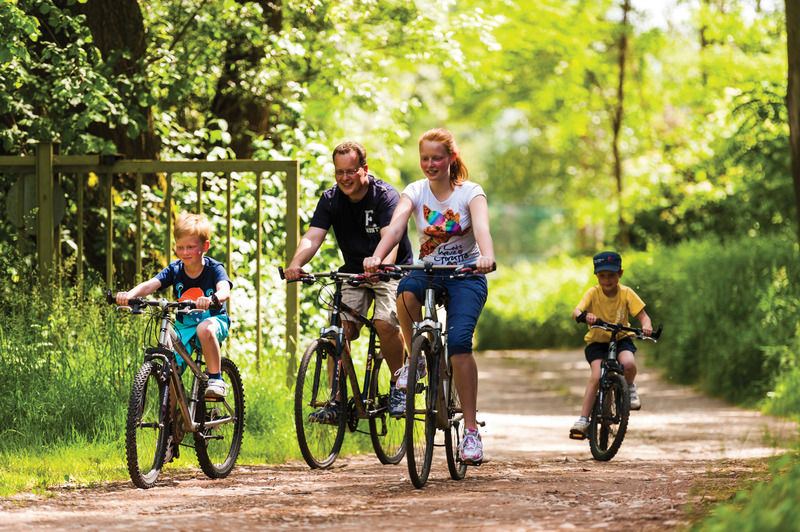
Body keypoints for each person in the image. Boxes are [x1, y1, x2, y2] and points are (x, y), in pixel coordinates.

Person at [364, 128, 495, 465]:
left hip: (467, 274)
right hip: (429, 270)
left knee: (461, 342)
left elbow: (481, 229)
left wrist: (486, 256)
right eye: (425, 158)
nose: (430, 164)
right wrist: (378, 256)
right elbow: (395, 228)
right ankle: (415, 360)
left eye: (437, 157)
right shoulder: (416, 191)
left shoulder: (470, 193)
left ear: (452, 158)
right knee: (406, 293)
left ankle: (470, 431)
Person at [284, 141, 413, 421]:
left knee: (383, 323)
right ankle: (338, 399)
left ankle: (398, 384)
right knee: (339, 331)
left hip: (391, 271)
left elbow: (391, 236)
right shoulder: (331, 199)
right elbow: (313, 236)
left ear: (364, 170)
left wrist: (383, 265)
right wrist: (296, 264)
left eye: (351, 171)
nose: (345, 178)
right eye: (339, 172)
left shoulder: (384, 196)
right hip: (354, 272)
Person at [115, 212, 233, 398]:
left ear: (205, 247)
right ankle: (169, 424)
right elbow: (152, 284)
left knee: (204, 329)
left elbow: (224, 288)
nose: (185, 252)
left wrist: (213, 299)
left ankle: (216, 379)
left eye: (190, 247)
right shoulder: (175, 269)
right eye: (180, 247)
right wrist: (130, 295)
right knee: (170, 373)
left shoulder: (214, 268)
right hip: (184, 325)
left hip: (213, 319)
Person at [569, 250, 653, 439]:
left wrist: (646, 327)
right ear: (596, 276)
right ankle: (583, 419)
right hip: (597, 343)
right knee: (597, 376)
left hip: (621, 338)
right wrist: (584, 315)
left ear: (620, 274)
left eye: (611, 275)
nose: (607, 280)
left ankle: (629, 387)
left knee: (629, 363)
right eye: (602, 276)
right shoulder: (593, 293)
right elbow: (576, 311)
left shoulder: (626, 293)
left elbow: (643, 316)